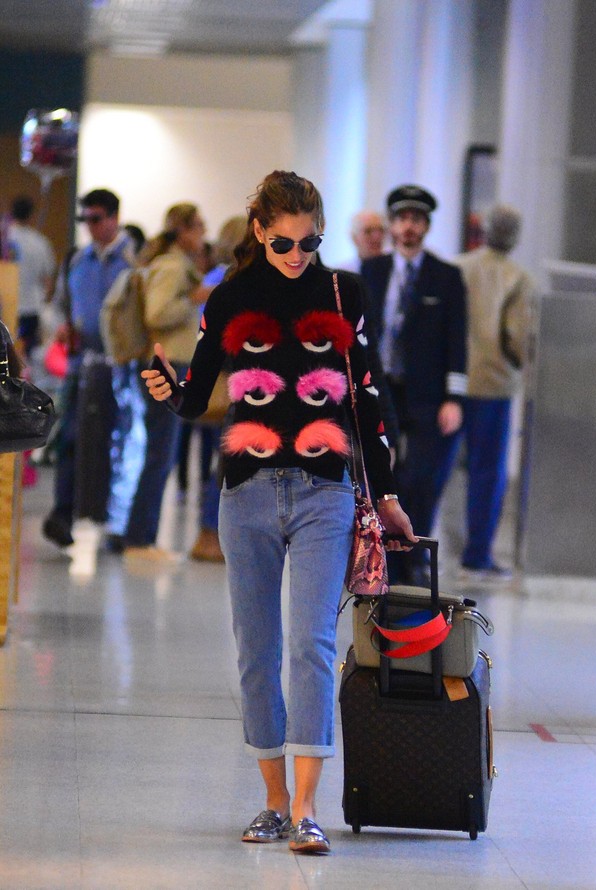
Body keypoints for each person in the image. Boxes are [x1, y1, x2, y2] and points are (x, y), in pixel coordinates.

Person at [142, 170, 414, 854]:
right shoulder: (231, 296)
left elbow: (367, 397)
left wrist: (386, 494)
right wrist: (168, 390)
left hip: (324, 489)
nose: (298, 254)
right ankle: (270, 801)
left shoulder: (342, 291)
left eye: (311, 241)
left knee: (311, 646)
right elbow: (197, 391)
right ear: (260, 231)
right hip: (247, 491)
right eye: (286, 241)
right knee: (257, 652)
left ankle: (306, 807)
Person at [361, 184, 467, 586]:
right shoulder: (370, 271)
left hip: (425, 395)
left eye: (417, 220)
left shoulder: (447, 277)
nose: (409, 227)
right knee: (379, 474)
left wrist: (454, 397)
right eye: (402, 219)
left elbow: (458, 341)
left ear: (426, 226)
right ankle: (377, 554)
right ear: (391, 225)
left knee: (420, 478)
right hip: (379, 387)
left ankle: (412, 556)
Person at [42, 188, 136, 549]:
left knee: (119, 444)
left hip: (121, 368)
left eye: (96, 219)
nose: (90, 227)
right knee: (69, 438)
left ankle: (114, 520)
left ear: (114, 218)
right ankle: (62, 514)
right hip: (82, 366)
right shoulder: (77, 262)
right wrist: (63, 328)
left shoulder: (132, 263)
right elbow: (59, 307)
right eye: (84, 220)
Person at [122, 203, 209, 562]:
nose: (203, 236)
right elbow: (157, 312)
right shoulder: (173, 267)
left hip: (169, 364)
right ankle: (140, 539)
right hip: (166, 365)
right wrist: (192, 299)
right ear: (184, 230)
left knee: (160, 454)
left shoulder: (174, 265)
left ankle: (140, 535)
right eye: (199, 227)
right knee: (161, 455)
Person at [454, 204, 532, 580]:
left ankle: (429, 549)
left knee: (445, 469)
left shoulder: (458, 267)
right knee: (488, 472)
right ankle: (477, 554)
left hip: (454, 384)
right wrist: (521, 362)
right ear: (514, 236)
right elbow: (518, 336)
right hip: (495, 385)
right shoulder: (517, 278)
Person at [187, 215, 247, 563]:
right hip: (228, 380)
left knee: (216, 462)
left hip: (217, 379)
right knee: (222, 464)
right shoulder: (229, 281)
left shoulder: (215, 277)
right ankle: (210, 532)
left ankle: (210, 531)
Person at [8, 195, 56, 356]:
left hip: (7, 307)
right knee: (26, 360)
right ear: (31, 215)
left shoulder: (4, 239)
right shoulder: (40, 243)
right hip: (32, 309)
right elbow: (48, 282)